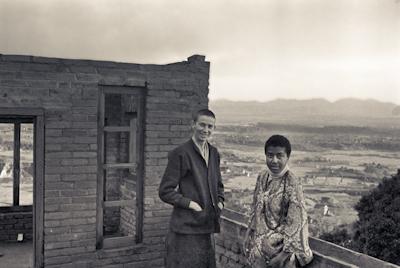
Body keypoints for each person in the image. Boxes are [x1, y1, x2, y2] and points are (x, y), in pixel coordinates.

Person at [159, 109, 224, 268]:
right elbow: (165, 191)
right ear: (193, 125)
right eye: (202, 125)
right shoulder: (180, 153)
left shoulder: (214, 153)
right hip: (185, 229)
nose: (206, 130)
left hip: (206, 226)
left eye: (210, 126)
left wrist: (220, 202)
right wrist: (190, 204)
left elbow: (219, 185)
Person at [244, 135, 313, 268]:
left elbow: (296, 222)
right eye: (270, 155)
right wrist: (249, 232)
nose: (274, 160)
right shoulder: (262, 176)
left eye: (279, 156)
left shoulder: (293, 182)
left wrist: (282, 256)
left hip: (282, 246)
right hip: (260, 240)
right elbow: (256, 208)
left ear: (287, 157)